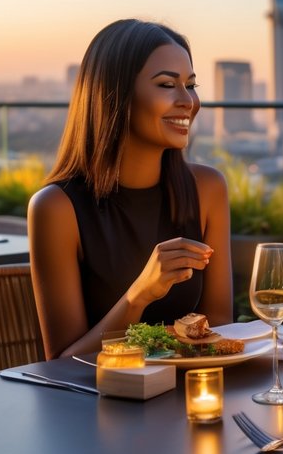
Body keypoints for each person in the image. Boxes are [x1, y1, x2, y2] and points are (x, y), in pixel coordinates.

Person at [29, 19, 233, 360]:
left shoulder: (208, 189)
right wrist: (140, 295)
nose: (188, 101)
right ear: (116, 94)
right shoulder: (56, 208)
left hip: (189, 398)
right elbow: (64, 362)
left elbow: (222, 327)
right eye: (168, 84)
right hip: (97, 405)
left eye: (191, 85)